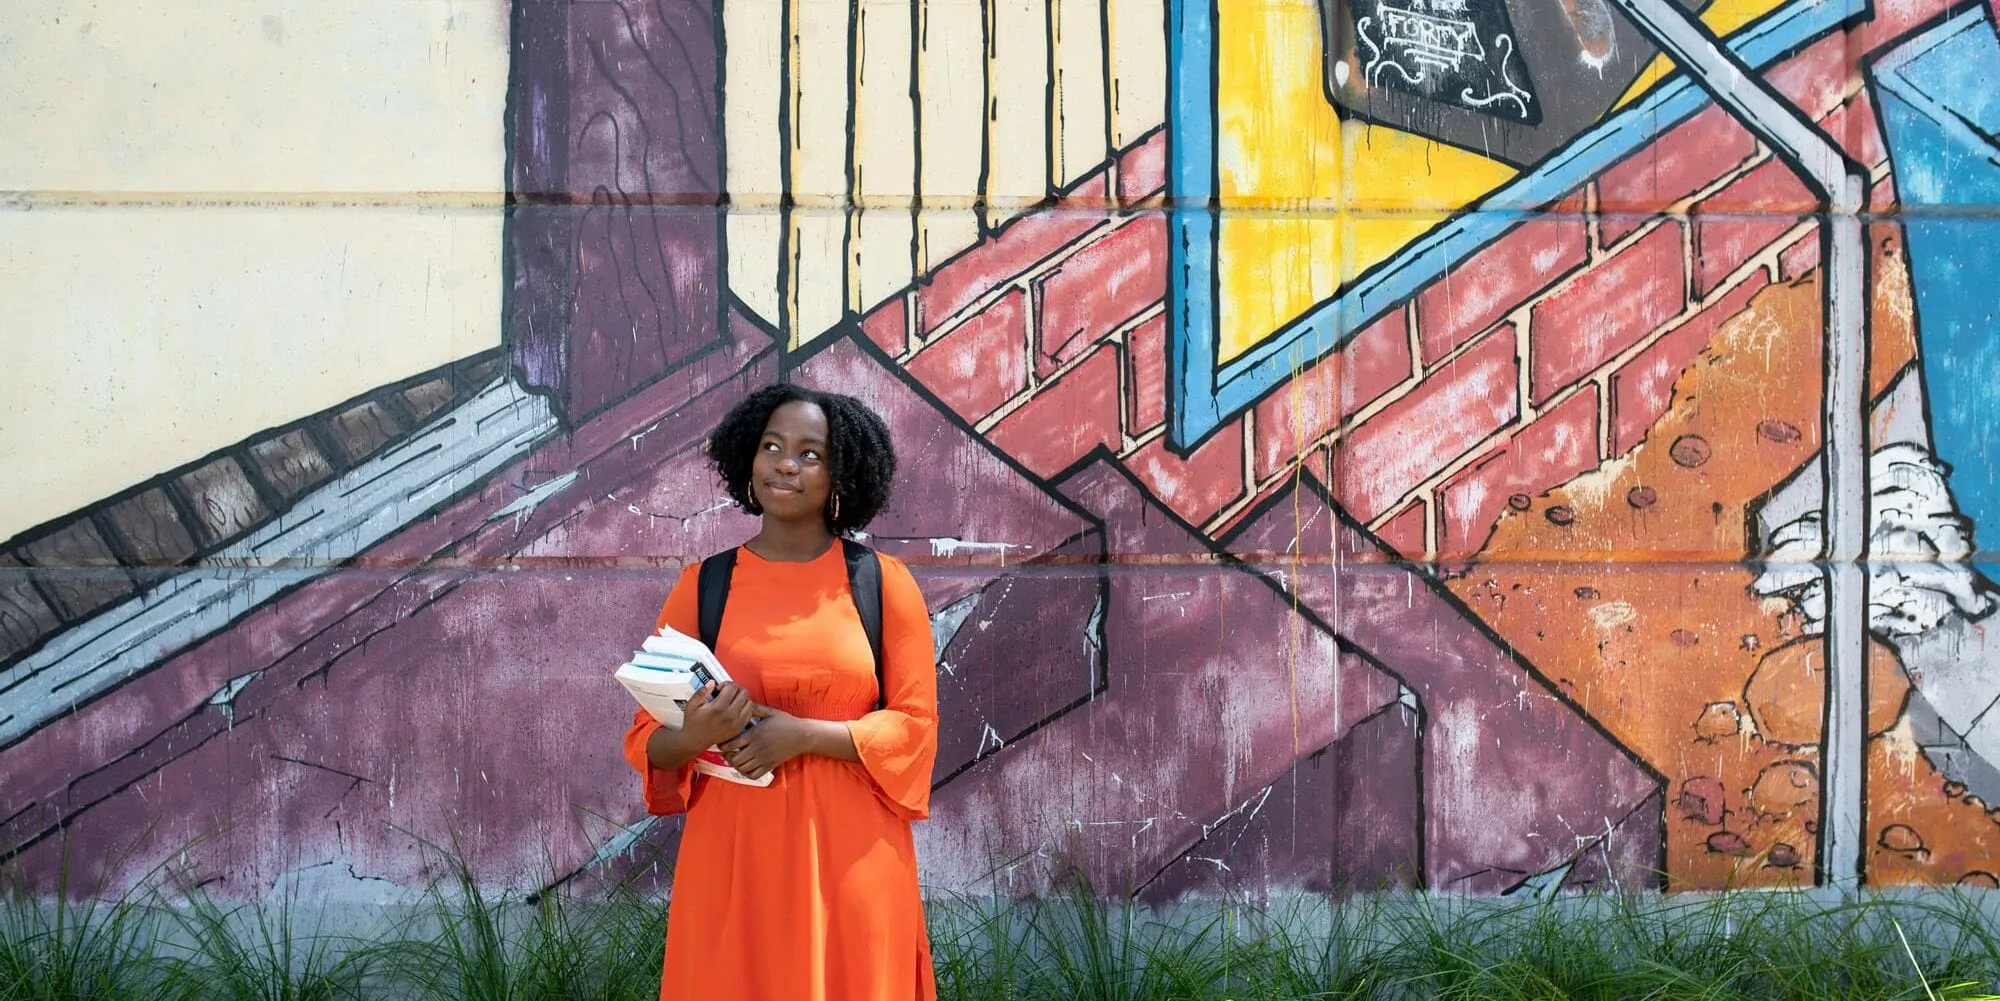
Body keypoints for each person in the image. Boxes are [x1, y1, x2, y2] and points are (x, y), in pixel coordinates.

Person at [621, 382, 940, 1001]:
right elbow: (647, 744)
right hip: (735, 858)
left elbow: (916, 727)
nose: (785, 464)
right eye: (771, 446)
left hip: (853, 858)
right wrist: (696, 734)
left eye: (810, 453)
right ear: (749, 460)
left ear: (842, 473)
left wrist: (801, 736)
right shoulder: (704, 585)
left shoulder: (882, 584)